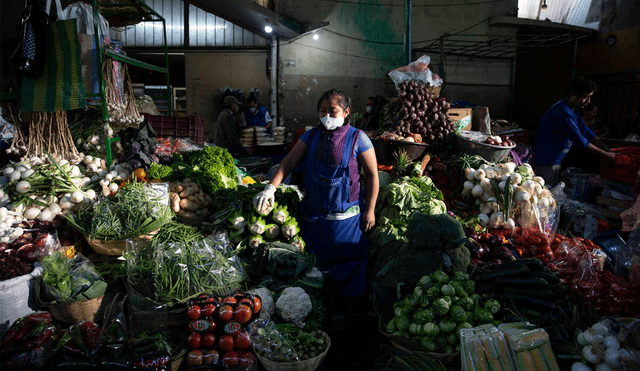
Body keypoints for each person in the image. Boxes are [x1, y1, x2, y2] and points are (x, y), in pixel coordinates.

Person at [253, 89, 379, 330]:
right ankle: (322, 309)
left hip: (346, 222)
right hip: (314, 218)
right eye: (323, 111)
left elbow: (373, 176)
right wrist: (270, 187)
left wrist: (370, 210)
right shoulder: (310, 137)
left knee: (349, 264)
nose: (327, 116)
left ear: (346, 112)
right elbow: (288, 163)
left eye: (332, 111)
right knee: (315, 267)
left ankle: (347, 310)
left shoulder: (358, 138)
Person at [532, 76, 616, 186]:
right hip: (546, 163)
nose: (588, 101)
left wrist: (606, 148)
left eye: (590, 97)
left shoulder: (572, 110)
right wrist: (605, 155)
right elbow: (581, 141)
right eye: (585, 97)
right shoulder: (564, 113)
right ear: (572, 95)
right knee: (544, 195)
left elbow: (585, 131)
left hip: (555, 161)